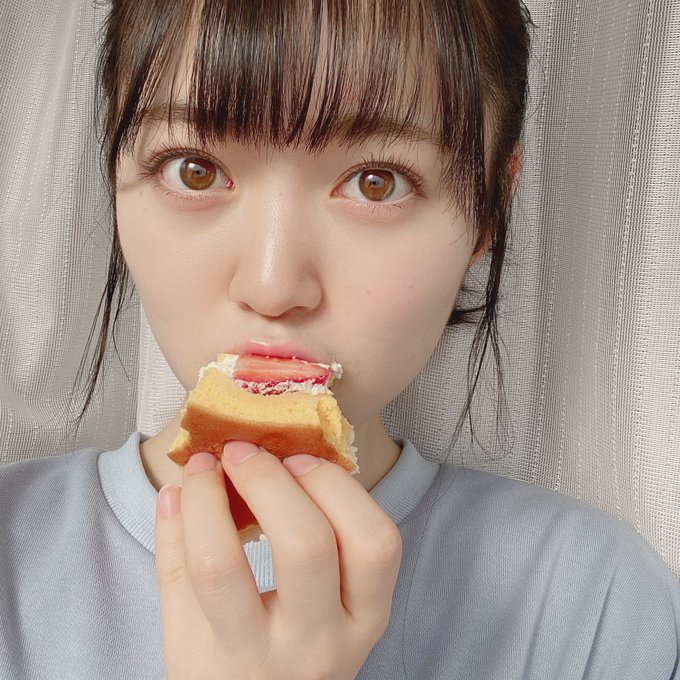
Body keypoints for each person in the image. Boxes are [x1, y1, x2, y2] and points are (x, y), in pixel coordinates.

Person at [1, 1, 679, 679]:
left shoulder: (596, 608)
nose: (272, 286)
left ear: (489, 211)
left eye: (376, 183)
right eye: (193, 169)